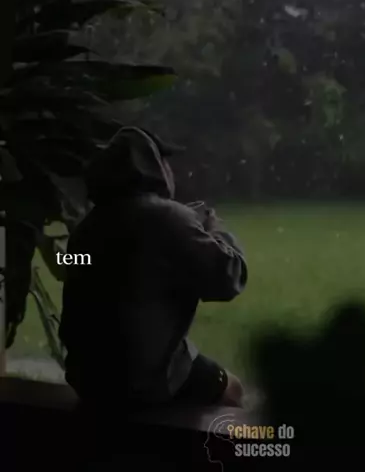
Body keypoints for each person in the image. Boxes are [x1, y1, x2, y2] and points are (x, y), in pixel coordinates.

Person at [58, 126, 247, 411]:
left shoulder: (85, 229)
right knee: (232, 388)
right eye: (164, 161)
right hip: (145, 380)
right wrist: (214, 230)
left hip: (87, 379)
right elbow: (228, 278)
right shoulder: (169, 219)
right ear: (152, 167)